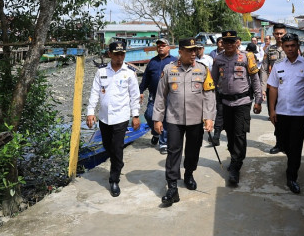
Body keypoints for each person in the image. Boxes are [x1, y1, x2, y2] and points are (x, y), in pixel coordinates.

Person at [153, 38, 216, 206]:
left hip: (196, 118)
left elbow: (209, 95)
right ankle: (172, 187)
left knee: (193, 150)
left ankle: (189, 173)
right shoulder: (169, 69)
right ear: (180, 52)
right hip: (174, 118)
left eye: (195, 50)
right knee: (173, 151)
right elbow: (161, 96)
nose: (193, 53)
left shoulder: (202, 69)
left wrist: (209, 117)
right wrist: (157, 119)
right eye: (189, 50)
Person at [267, 33, 304, 194]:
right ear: (283, 47)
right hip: (281, 112)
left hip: (300, 114)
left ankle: (292, 177)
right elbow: (273, 88)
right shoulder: (278, 65)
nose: (290, 49)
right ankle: (291, 159)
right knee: (283, 143)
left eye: (293, 45)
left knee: (296, 146)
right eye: (287, 46)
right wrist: (272, 110)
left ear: (298, 46)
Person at [86, 41, 141, 198]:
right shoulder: (101, 72)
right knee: (107, 145)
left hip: (121, 117)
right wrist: (90, 112)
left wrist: (135, 116)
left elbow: (135, 96)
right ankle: (118, 162)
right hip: (104, 117)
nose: (119, 57)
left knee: (117, 148)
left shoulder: (129, 73)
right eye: (116, 54)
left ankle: (114, 179)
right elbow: (95, 92)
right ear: (110, 54)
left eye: (122, 54)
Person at [211, 30, 262, 185]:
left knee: (239, 134)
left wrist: (258, 99)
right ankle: (234, 158)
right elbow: (213, 81)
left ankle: (235, 166)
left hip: (243, 102)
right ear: (222, 43)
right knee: (230, 133)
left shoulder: (247, 57)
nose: (229, 45)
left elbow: (255, 79)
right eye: (226, 42)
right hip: (225, 103)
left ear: (237, 43)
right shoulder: (218, 59)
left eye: (232, 42)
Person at [139, 38, 177, 154]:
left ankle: (163, 142)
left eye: (163, 45)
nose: (160, 47)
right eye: (159, 45)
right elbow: (146, 78)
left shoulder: (174, 61)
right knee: (149, 114)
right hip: (154, 94)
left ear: (168, 48)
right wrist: (140, 91)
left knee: (164, 118)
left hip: (169, 95)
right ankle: (156, 132)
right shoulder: (152, 62)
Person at [260, 23, 287, 154]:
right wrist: (263, 88)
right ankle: (279, 143)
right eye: (277, 33)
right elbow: (264, 70)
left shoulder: (291, 48)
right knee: (274, 116)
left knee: (287, 117)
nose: (279, 36)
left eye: (281, 33)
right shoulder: (269, 50)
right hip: (273, 89)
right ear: (273, 34)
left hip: (288, 89)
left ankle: (286, 142)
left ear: (285, 33)